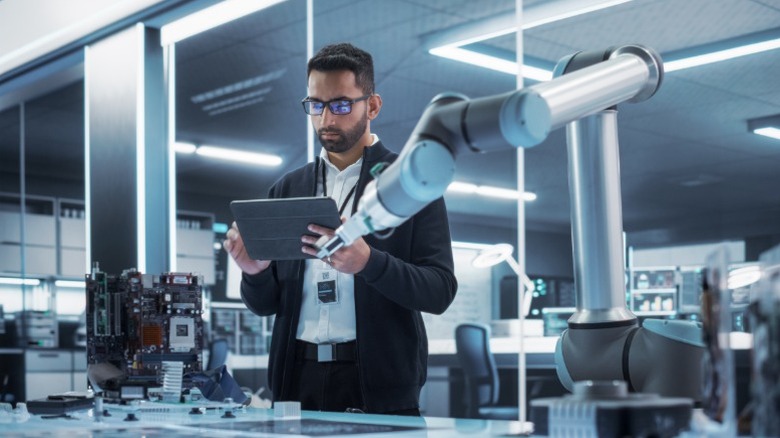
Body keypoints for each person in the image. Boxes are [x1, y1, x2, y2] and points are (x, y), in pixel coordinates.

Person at [223, 42, 457, 416]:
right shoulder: (287, 189)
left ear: (373, 106)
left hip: (377, 384)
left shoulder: (410, 183)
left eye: (341, 105)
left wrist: (369, 263)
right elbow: (266, 305)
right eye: (316, 105)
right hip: (296, 380)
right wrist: (255, 274)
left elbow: (440, 290)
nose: (326, 119)